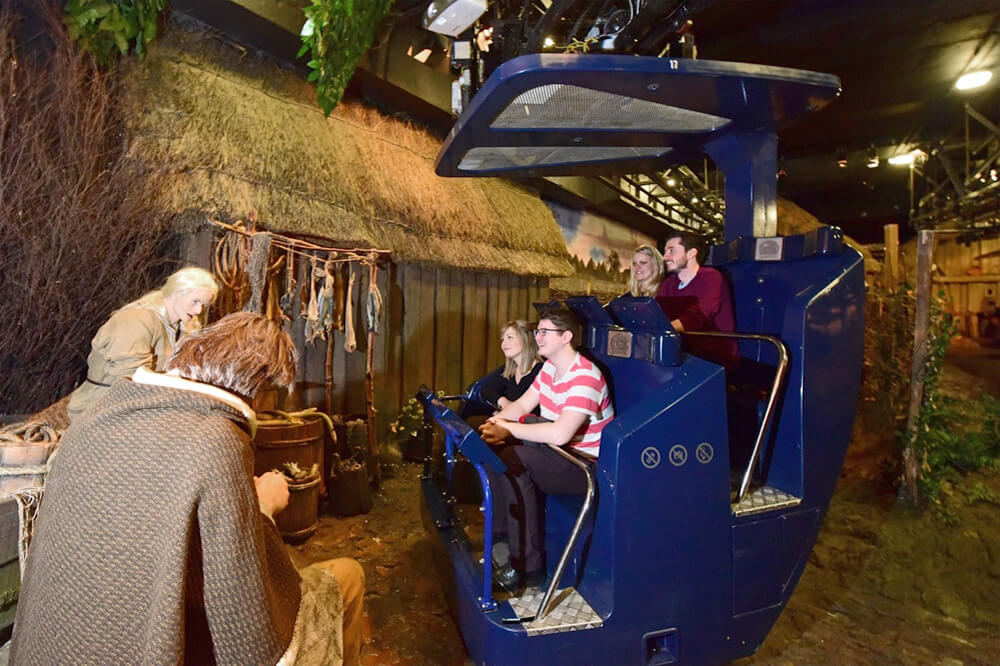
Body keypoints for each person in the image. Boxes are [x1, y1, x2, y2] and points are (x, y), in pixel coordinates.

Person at [12, 312, 365, 666]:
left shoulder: (94, 418)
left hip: (52, 645)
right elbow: (243, 615)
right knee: (347, 576)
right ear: (258, 386)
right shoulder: (217, 438)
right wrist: (264, 511)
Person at [478, 308, 613, 591]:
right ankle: (502, 538)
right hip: (554, 452)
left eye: (544, 332)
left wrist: (508, 429)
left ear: (566, 337)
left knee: (514, 459)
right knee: (492, 449)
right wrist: (495, 423)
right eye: (537, 331)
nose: (537, 337)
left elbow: (561, 432)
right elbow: (523, 406)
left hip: (583, 466)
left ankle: (529, 568)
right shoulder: (550, 368)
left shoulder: (585, 376)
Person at [66, 265, 219, 421]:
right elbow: (130, 378)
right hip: (101, 410)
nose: (199, 310)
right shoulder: (136, 320)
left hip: (138, 407)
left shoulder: (178, 328)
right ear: (178, 292)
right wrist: (173, 379)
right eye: (195, 301)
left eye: (203, 305)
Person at [656, 232, 739, 370]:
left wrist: (662, 328)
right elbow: (656, 314)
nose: (665, 257)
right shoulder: (669, 283)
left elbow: (699, 314)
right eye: (665, 252)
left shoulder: (711, 277)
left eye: (671, 250)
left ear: (691, 253)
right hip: (681, 353)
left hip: (715, 357)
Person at [478, 320, 544, 410]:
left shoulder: (542, 370)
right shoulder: (509, 370)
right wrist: (502, 401)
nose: (504, 343)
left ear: (525, 339)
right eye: (503, 339)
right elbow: (486, 390)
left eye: (510, 337)